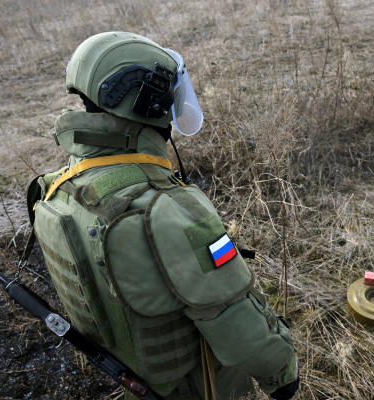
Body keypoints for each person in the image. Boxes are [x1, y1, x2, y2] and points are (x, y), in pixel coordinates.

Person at [30, 32, 299, 400]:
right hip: (200, 385)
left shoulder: (58, 186)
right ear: (148, 102)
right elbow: (235, 322)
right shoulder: (168, 206)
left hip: (135, 378)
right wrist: (282, 374)